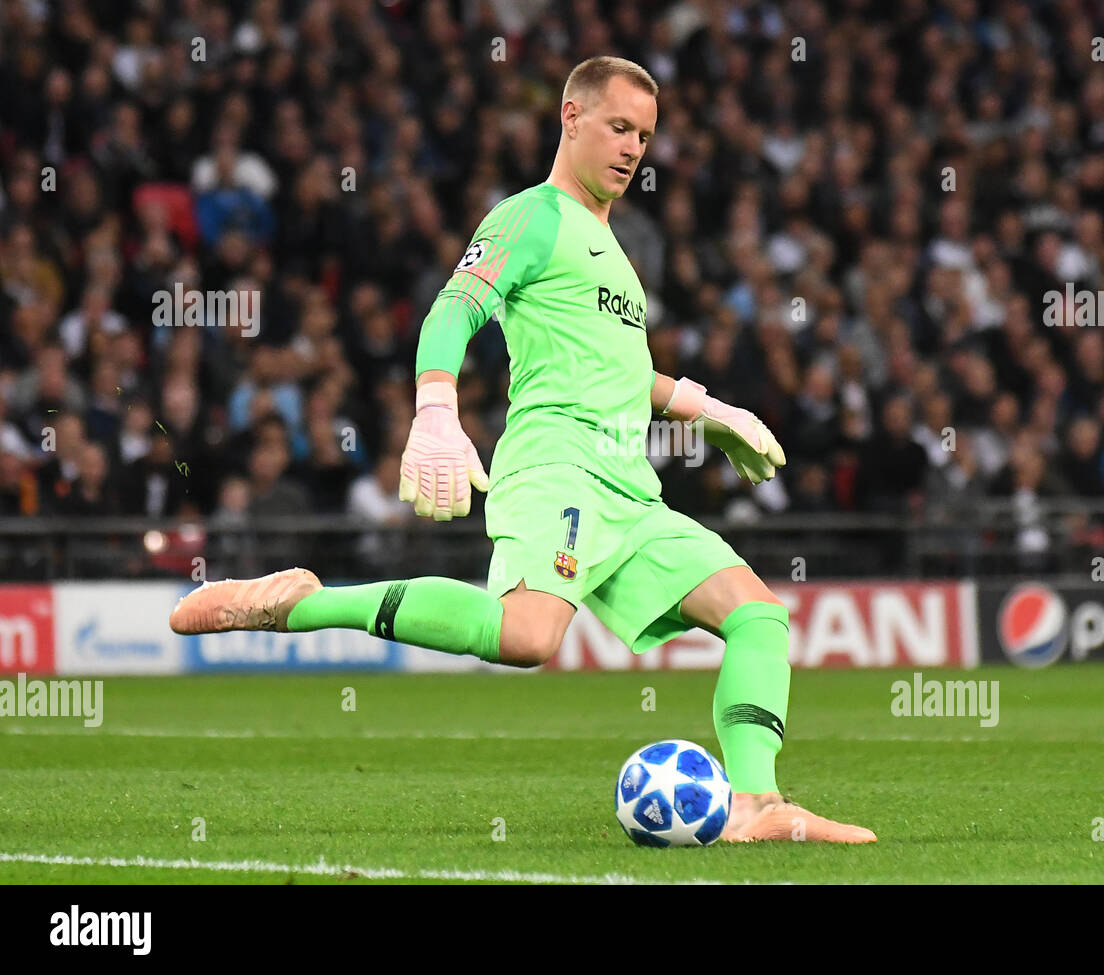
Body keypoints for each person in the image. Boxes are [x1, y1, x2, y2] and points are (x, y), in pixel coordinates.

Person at [170, 56, 875, 844]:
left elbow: (623, 369)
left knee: (759, 615)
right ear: (570, 118)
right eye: (618, 126)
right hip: (557, 463)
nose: (633, 147)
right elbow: (453, 308)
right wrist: (436, 407)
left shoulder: (620, 262)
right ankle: (294, 603)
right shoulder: (531, 217)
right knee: (528, 638)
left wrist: (708, 407)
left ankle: (757, 803)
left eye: (644, 135)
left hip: (630, 490)